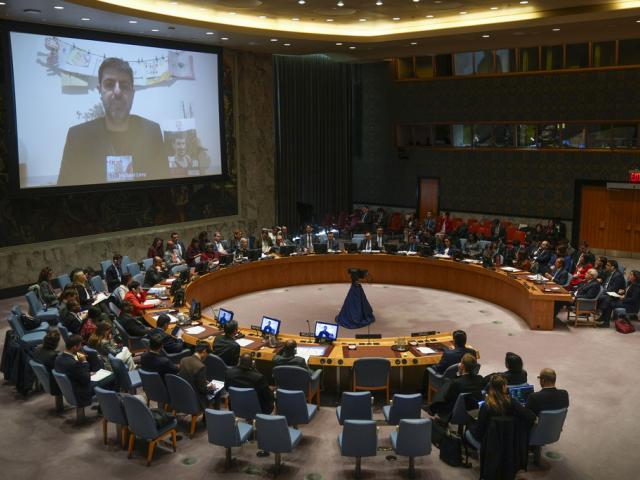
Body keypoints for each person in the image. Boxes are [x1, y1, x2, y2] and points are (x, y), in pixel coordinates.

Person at [58, 57, 167, 186]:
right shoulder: (78, 137)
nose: (117, 92)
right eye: (109, 84)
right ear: (100, 91)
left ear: (132, 93)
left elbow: (162, 189)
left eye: (124, 86)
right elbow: (65, 194)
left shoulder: (151, 132)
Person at [465, 373, 536, 450]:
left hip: (489, 442)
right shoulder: (513, 403)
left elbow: (480, 431)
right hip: (509, 440)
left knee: (469, 430)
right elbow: (531, 417)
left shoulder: (486, 406)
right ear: (504, 387)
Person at [54, 335, 115, 406]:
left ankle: (103, 405)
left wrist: (86, 373)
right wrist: (84, 362)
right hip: (81, 392)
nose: (81, 348)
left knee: (104, 380)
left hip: (71, 388)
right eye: (80, 346)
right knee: (112, 376)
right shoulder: (74, 363)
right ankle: (109, 406)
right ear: (74, 347)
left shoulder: (58, 358)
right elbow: (86, 380)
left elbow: (75, 373)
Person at [428, 353, 485, 417]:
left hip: (456, 410)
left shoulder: (456, 383)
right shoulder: (480, 379)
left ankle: (432, 409)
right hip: (474, 410)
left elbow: (447, 398)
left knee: (445, 387)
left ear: (462, 366)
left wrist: (458, 374)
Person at [179, 342, 215, 410]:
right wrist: (211, 388)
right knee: (215, 392)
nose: (207, 356)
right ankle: (209, 417)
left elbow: (188, 377)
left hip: (182, 392)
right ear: (204, 351)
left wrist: (203, 381)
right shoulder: (201, 366)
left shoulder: (183, 360)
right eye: (207, 354)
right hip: (195, 398)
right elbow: (203, 390)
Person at [33, 329, 62, 395]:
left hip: (43, 377)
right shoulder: (53, 356)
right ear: (56, 343)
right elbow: (59, 369)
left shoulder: (36, 349)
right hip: (54, 382)